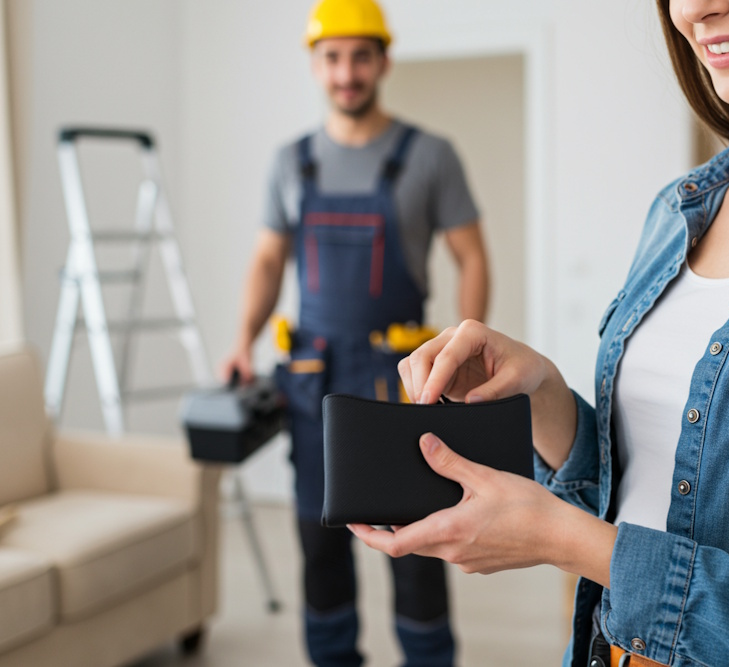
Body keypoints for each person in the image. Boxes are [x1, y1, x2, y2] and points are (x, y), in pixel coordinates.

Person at [350, 0, 729, 665]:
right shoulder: (678, 210)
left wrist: (567, 541)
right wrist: (549, 401)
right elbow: (655, 491)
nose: (697, 9)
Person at [222, 1, 489, 665]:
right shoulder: (291, 163)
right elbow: (265, 261)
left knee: (418, 545)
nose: (347, 72)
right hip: (312, 382)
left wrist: (465, 349)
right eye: (334, 58)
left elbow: (472, 256)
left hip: (402, 384)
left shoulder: (429, 156)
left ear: (383, 61)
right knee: (321, 541)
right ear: (316, 65)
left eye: (361, 56)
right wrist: (240, 341)